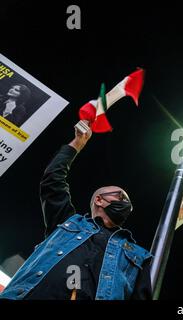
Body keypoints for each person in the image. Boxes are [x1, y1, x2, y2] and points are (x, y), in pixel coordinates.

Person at [0, 121, 152, 300]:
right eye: (119, 196)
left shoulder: (138, 256)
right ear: (99, 200)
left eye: (127, 201)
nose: (125, 202)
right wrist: (77, 144)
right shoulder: (67, 222)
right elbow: (53, 181)